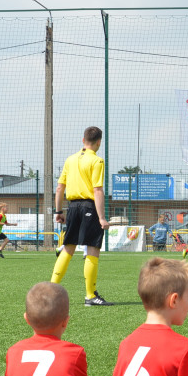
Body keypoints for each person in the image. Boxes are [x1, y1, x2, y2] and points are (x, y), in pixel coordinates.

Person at [51, 126, 112, 306]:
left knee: (68, 248)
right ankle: (90, 296)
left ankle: (50, 290)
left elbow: (60, 187)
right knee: (93, 248)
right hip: (88, 206)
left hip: (72, 206)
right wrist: (101, 217)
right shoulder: (97, 161)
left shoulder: (70, 159)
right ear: (99, 141)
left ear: (83, 139)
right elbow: (97, 190)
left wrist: (59, 211)